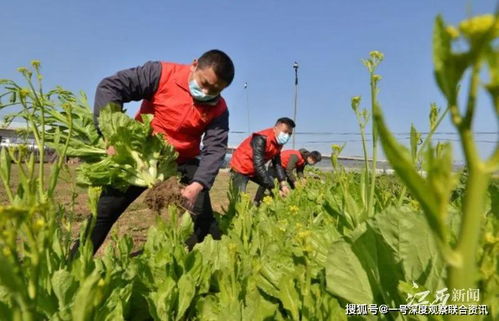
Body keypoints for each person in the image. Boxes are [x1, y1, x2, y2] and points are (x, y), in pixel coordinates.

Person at [81, 49, 234, 254]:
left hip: (181, 160)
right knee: (104, 212)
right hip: (142, 155)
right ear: (194, 65)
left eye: (215, 90)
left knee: (203, 216)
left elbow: (215, 148)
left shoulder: (219, 109)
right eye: (204, 84)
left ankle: (203, 262)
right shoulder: (161, 73)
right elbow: (111, 87)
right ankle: (74, 262)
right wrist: (112, 135)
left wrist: (197, 185)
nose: (206, 93)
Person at [229, 117, 295, 203]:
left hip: (253, 169)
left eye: (290, 134)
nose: (287, 136)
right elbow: (258, 164)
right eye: (285, 132)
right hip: (241, 167)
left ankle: (260, 204)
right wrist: (274, 188)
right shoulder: (261, 138)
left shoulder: (278, 144)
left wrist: (283, 183)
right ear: (275, 129)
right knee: (239, 201)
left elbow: (277, 164)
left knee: (273, 183)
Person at [254, 149, 322, 200]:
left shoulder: (304, 160)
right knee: (268, 183)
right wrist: (295, 181)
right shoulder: (297, 156)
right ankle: (257, 200)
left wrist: (302, 178)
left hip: (283, 169)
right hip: (275, 166)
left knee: (281, 187)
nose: (312, 162)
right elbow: (289, 170)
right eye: (312, 159)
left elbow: (300, 171)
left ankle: (285, 198)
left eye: (315, 161)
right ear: (310, 155)